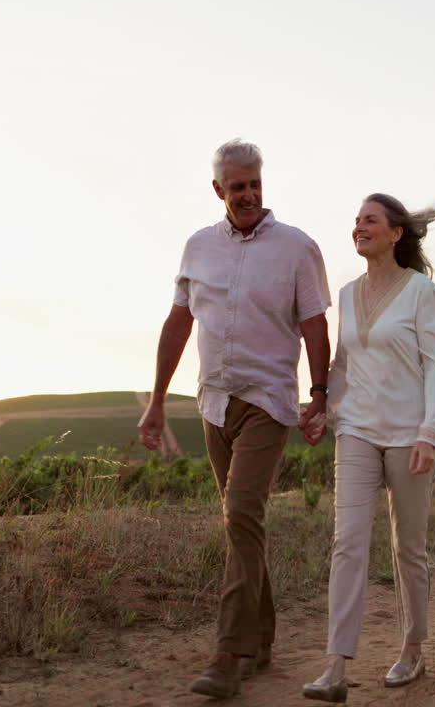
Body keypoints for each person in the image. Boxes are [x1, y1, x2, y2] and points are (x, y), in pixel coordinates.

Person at [139, 139, 332, 700]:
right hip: (213, 402)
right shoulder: (198, 248)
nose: (248, 195)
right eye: (237, 186)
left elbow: (315, 325)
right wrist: (156, 401)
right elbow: (178, 324)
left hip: (268, 401)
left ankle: (229, 653)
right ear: (218, 189)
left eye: (256, 185)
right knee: (242, 525)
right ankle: (263, 637)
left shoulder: (297, 248)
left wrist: (319, 395)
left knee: (242, 514)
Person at [301, 193, 435, 702]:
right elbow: (345, 363)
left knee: (407, 546)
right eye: (355, 221)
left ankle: (412, 649)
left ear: (395, 233)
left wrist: (429, 432)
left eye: (369, 220)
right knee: (347, 542)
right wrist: (321, 407)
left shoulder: (421, 293)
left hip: (408, 433)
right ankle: (335, 666)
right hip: (356, 430)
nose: (358, 227)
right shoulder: (347, 295)